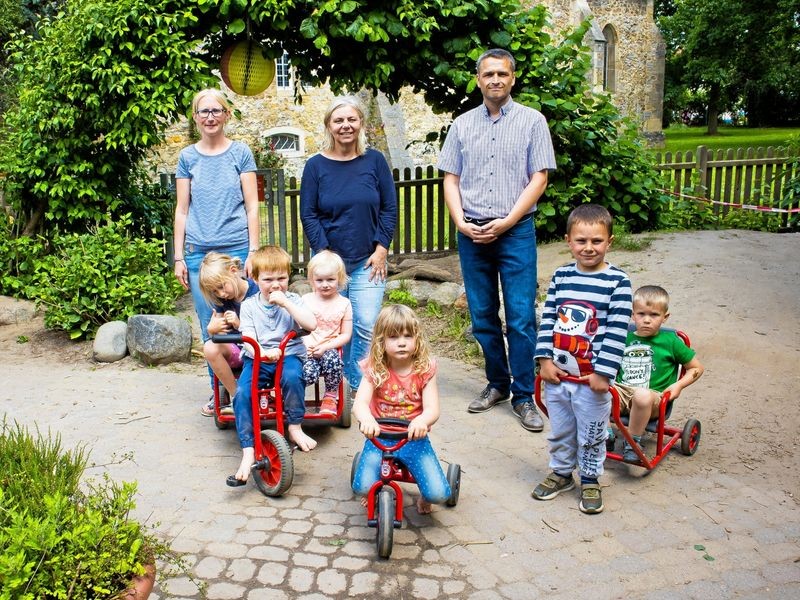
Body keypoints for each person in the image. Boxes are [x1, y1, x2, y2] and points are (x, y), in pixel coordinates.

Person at [436, 48, 556, 433]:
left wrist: (507, 221)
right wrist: (461, 222)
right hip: (471, 232)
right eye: (488, 74)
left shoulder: (533, 122)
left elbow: (539, 178)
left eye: (502, 74)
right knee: (483, 315)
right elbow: (450, 178)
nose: (495, 80)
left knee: (521, 317)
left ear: (513, 78)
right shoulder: (461, 125)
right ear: (478, 79)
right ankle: (497, 384)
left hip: (515, 231)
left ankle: (524, 395)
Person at [532, 204, 632, 514]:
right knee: (561, 428)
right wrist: (544, 359)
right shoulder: (561, 275)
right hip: (560, 376)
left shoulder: (618, 282)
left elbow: (617, 330)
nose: (588, 248)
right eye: (581, 241)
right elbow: (549, 318)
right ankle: (562, 473)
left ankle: (590, 478)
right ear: (568, 240)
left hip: (592, 380)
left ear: (609, 241)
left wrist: (604, 372)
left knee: (591, 432)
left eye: (596, 241)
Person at [300, 96, 398, 397]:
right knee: (330, 326)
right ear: (329, 125)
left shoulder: (375, 161)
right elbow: (309, 213)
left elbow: (389, 208)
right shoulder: (316, 166)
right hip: (331, 266)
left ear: (361, 123)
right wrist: (324, 251)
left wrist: (382, 248)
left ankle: (356, 386)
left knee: (366, 325)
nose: (346, 125)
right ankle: (336, 384)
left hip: (369, 260)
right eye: (338, 120)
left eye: (351, 119)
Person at [173, 88, 260, 412]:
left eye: (216, 111)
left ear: (226, 115)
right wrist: (179, 256)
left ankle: (255, 382)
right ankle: (223, 390)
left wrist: (253, 252)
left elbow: (252, 206)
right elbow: (182, 209)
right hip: (198, 253)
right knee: (210, 322)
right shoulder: (188, 158)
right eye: (203, 111)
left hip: (235, 248)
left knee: (247, 315)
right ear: (195, 118)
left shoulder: (240, 153)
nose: (210, 117)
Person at [228, 246, 317, 485]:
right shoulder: (248, 306)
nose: (275, 285)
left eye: (281, 278)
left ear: (289, 277)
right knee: (243, 393)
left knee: (291, 377)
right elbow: (247, 337)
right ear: (256, 280)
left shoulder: (295, 300)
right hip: (258, 357)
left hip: (288, 354)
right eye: (268, 280)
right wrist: (262, 352)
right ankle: (248, 449)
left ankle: (295, 426)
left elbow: (311, 324)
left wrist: (287, 304)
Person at [351, 304, 451, 514]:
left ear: (417, 338)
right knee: (361, 487)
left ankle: (426, 494)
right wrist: (367, 419)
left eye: (408, 336)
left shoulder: (424, 369)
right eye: (394, 337)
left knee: (439, 494)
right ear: (381, 341)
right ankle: (372, 487)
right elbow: (359, 403)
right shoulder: (374, 368)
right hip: (379, 438)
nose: (402, 342)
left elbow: (433, 408)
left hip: (413, 438)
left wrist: (422, 421)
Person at [615, 285, 704, 462]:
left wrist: (678, 385)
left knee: (641, 395)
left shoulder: (670, 341)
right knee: (595, 388)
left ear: (665, 317)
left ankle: (632, 442)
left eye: (654, 315)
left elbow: (696, 368)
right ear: (633, 315)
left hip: (653, 398)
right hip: (621, 391)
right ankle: (601, 433)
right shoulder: (624, 338)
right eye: (641, 314)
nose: (646, 320)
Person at [197, 252, 259, 416]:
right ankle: (237, 397)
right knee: (210, 347)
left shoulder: (257, 292)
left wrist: (240, 324)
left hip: (258, 350)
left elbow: (266, 328)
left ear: (233, 271)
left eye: (222, 286)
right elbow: (216, 329)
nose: (221, 294)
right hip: (237, 353)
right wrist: (212, 329)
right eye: (215, 291)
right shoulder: (223, 300)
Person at [301, 250, 353, 415]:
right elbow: (297, 327)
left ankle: (330, 394)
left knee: (333, 359)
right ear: (312, 280)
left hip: (329, 348)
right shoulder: (305, 300)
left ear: (340, 278)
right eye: (319, 280)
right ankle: (293, 398)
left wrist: (325, 347)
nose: (325, 284)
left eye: (330, 279)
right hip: (308, 347)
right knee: (306, 374)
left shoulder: (344, 303)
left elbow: (346, 334)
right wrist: (306, 343)